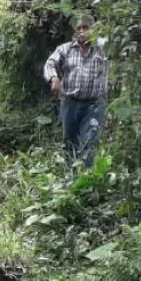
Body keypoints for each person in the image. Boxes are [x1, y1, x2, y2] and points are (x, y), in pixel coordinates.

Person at [43, 13, 109, 170]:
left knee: (89, 143)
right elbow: (50, 63)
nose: (81, 31)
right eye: (78, 28)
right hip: (70, 104)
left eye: (85, 27)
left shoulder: (104, 47)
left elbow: (122, 48)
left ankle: (86, 182)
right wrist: (54, 79)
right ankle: (70, 179)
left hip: (95, 105)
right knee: (69, 143)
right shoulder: (65, 49)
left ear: (93, 29)